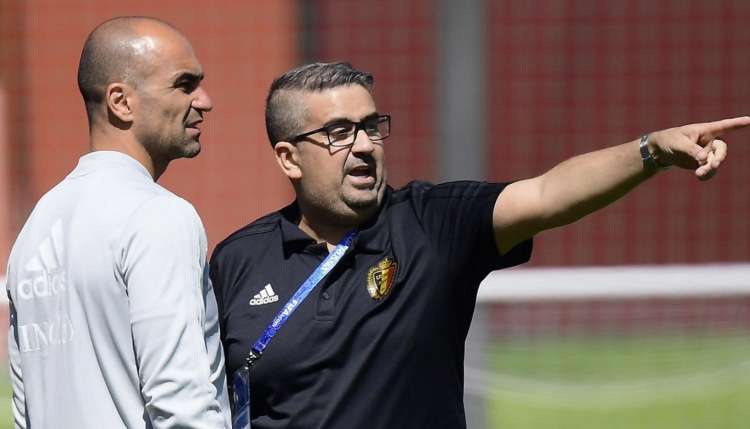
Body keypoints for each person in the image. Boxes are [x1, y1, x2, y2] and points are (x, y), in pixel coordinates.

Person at [209, 62, 749, 428]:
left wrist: (651, 151)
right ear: (289, 158)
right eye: (338, 133)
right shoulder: (237, 260)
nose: (364, 146)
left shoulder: (431, 224)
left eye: (371, 127)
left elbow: (548, 194)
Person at [5, 17, 230, 428]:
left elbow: (26, 414)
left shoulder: (37, 226)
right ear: (121, 102)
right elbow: (182, 405)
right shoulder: (158, 216)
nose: (205, 101)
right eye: (184, 85)